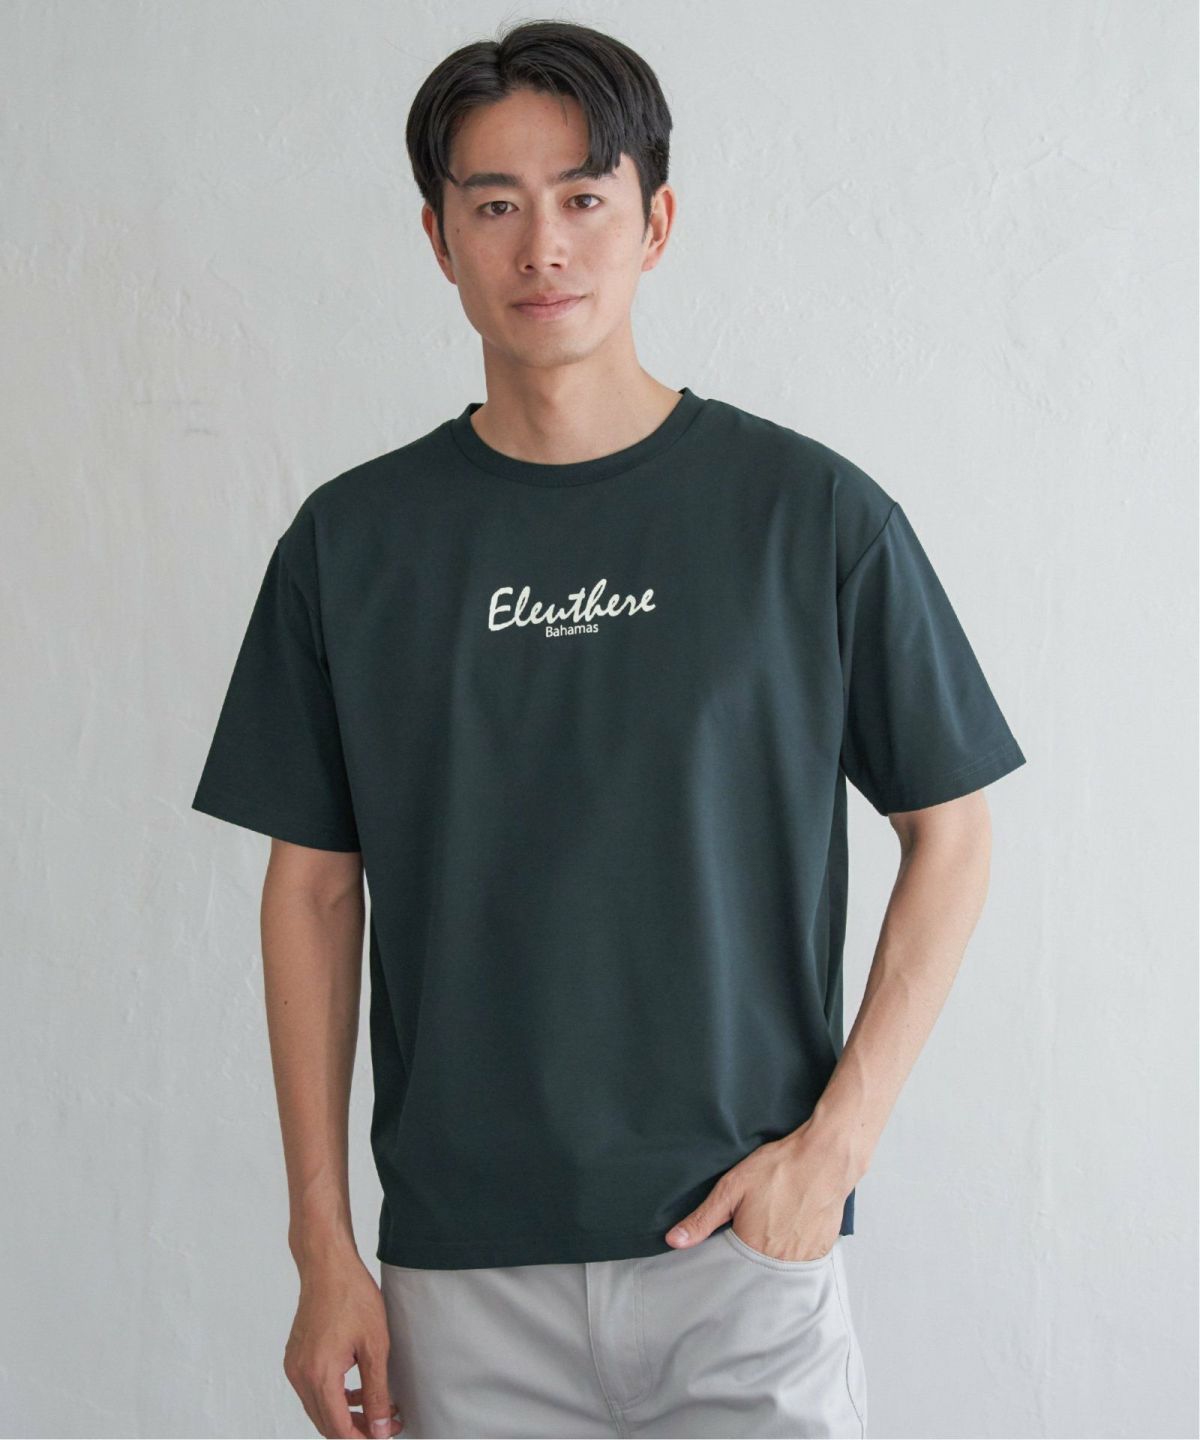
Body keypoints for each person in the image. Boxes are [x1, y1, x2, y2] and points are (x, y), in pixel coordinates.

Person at [191, 17, 1027, 1440]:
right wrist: (321, 1247)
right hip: (462, 1275)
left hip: (743, 1257)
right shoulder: (353, 545)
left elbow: (950, 831)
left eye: (584, 197)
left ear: (657, 223)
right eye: (495, 206)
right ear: (438, 239)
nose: (544, 248)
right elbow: (314, 892)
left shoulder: (809, 518)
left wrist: (835, 1150)